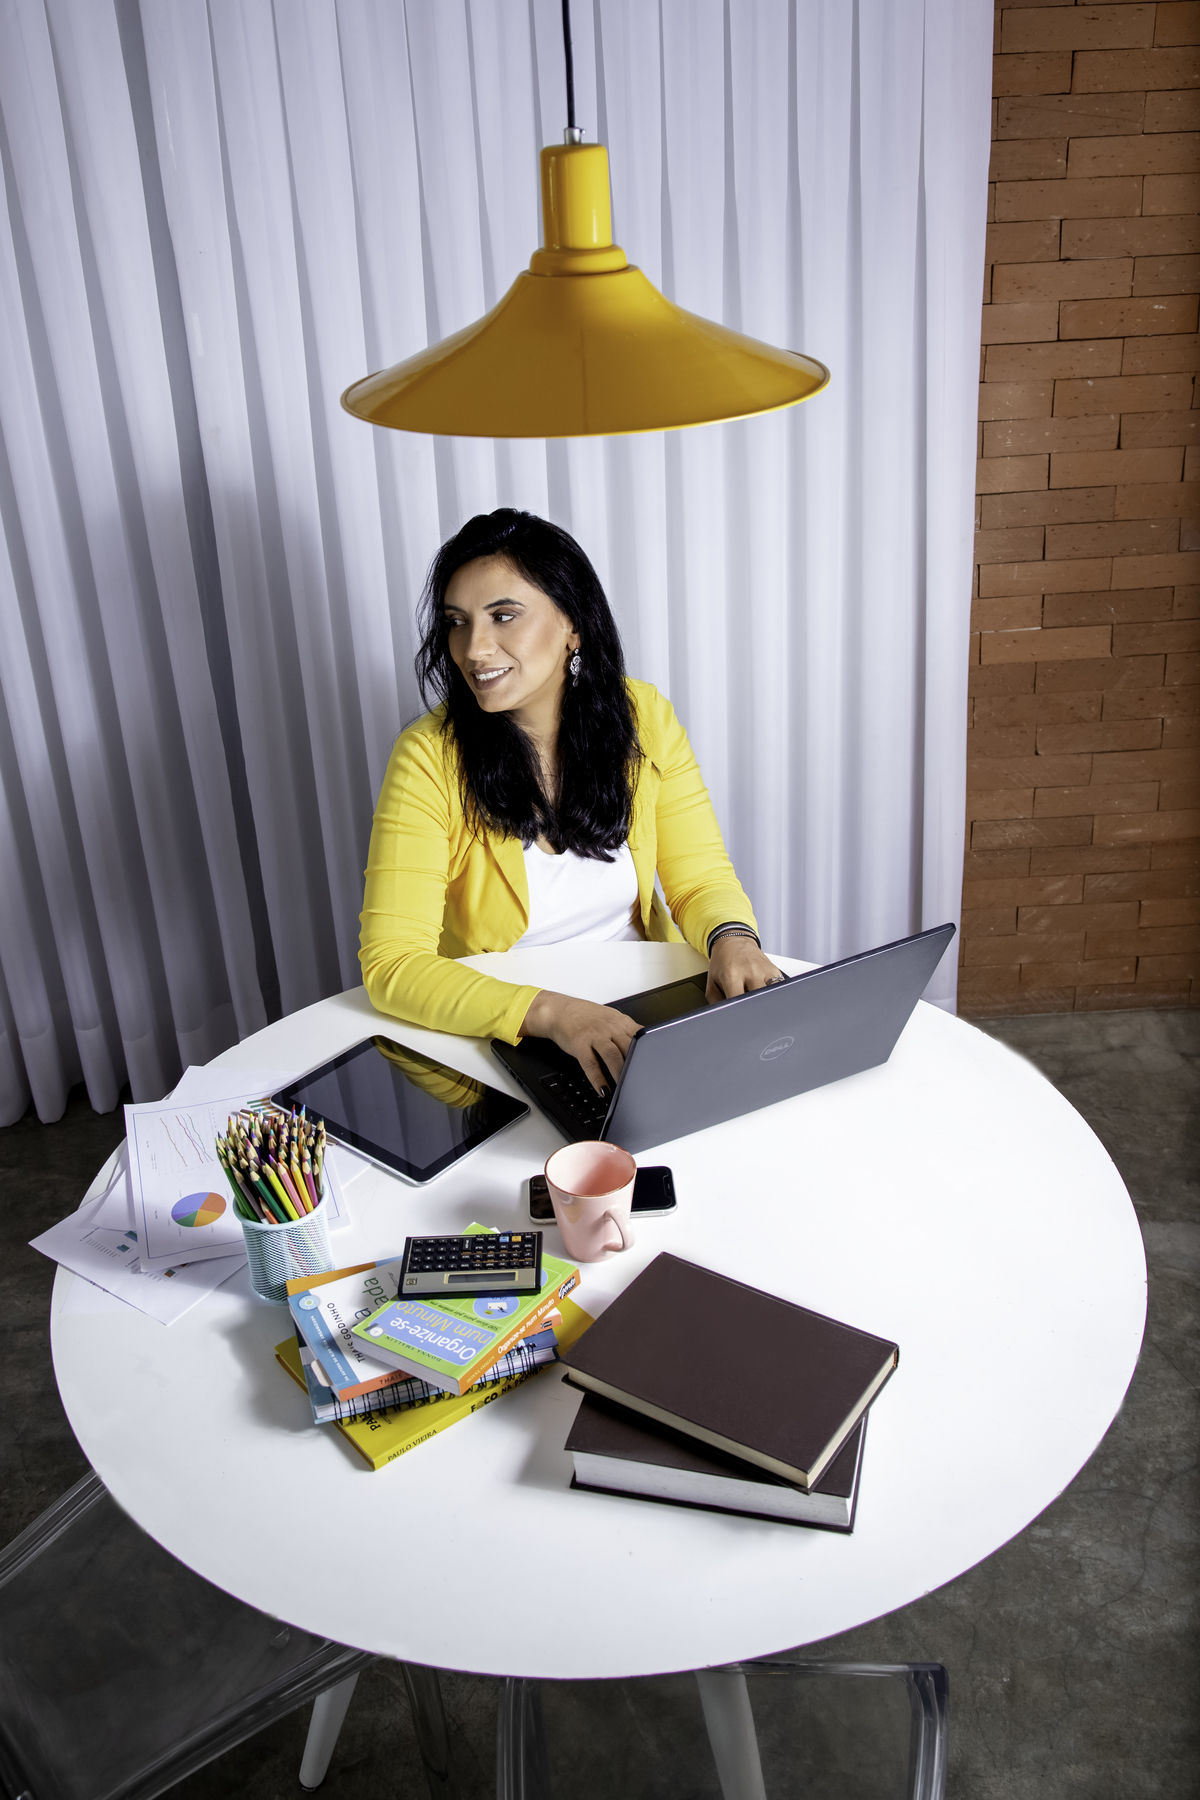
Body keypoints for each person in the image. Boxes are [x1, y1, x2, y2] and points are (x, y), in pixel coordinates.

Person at [359, 509, 782, 1094]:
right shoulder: (429, 757)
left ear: (573, 625)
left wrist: (733, 937)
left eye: (503, 615)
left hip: (643, 1009)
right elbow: (394, 963)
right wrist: (557, 1014)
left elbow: (700, 878)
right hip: (514, 1031)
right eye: (457, 622)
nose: (473, 649)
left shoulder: (644, 717)